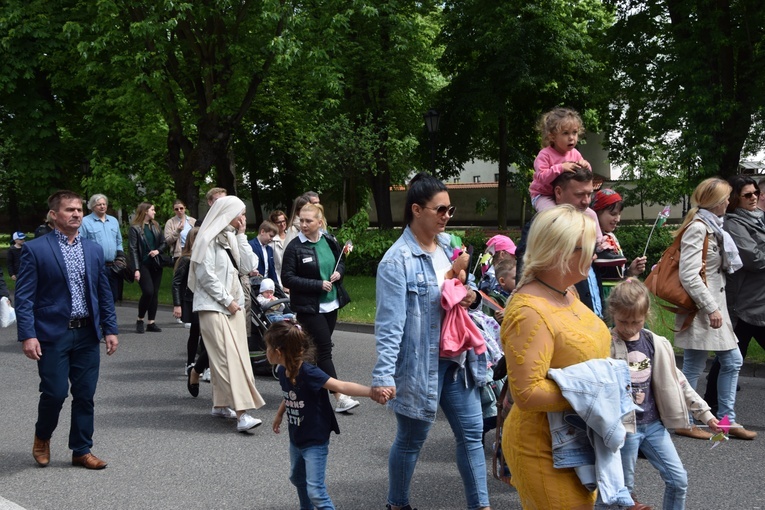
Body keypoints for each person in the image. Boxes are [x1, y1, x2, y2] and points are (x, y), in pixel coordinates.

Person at [372, 173, 492, 510]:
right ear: (416, 210)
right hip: (418, 366)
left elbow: (454, 295)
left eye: (449, 210)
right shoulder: (396, 262)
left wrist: (471, 296)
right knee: (411, 441)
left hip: (455, 362)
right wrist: (383, 377)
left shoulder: (446, 249)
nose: (446, 216)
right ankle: (397, 503)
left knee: (471, 435)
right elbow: (389, 326)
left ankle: (480, 506)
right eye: (440, 210)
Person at [500, 204, 608, 509]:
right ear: (562, 252)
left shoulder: (566, 290)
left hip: (577, 439)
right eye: (589, 248)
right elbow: (527, 393)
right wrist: (598, 390)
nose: (595, 255)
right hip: (543, 447)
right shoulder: (529, 311)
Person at [16, 190, 119, 470]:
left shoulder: (92, 249)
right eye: (69, 210)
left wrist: (110, 328)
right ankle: (43, 436)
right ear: (54, 215)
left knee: (85, 394)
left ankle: (82, 450)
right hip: (53, 334)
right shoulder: (36, 249)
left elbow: (103, 292)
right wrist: (28, 334)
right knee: (56, 392)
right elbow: (24, 297)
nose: (76, 214)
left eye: (78, 210)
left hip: (86, 333)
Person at [608, 278, 721, 510]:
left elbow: (679, 381)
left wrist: (706, 415)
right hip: (624, 429)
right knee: (624, 490)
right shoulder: (604, 343)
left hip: (654, 426)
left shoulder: (656, 343)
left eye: (636, 322)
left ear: (646, 315)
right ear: (612, 313)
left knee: (679, 480)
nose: (629, 328)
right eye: (623, 321)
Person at [268, 319, 386, 510]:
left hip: (315, 439)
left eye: (267, 347)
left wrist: (372, 392)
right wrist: (280, 414)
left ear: (278, 352)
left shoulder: (309, 372)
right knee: (298, 478)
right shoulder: (283, 371)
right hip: (296, 438)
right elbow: (289, 393)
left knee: (316, 491)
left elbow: (341, 386)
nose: (266, 351)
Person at [672, 177, 756, 440]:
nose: (729, 202)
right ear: (716, 201)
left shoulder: (713, 226)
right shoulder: (699, 227)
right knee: (724, 362)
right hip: (703, 309)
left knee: (704, 364)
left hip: (710, 307)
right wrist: (711, 308)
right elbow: (689, 275)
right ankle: (697, 420)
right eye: (726, 198)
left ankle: (711, 419)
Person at [188, 195, 265, 432]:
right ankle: (242, 413)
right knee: (225, 359)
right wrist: (227, 300)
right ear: (227, 214)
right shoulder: (206, 239)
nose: (243, 218)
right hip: (213, 306)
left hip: (234, 307)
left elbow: (247, 267)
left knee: (237, 356)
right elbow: (205, 275)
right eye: (240, 214)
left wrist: (242, 236)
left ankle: (221, 405)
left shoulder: (231, 236)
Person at [282, 203, 358, 414]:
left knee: (312, 351)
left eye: (308, 221)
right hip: (309, 307)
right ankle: (340, 396)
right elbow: (287, 278)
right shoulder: (295, 247)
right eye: (301, 221)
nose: (303, 225)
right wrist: (316, 284)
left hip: (330, 303)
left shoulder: (330, 240)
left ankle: (304, 387)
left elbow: (340, 262)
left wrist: (339, 274)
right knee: (324, 349)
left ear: (320, 222)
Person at [705, 176, 765, 423]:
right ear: (735, 201)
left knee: (729, 357)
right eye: (747, 195)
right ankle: (710, 406)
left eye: (755, 193)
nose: (754, 198)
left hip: (758, 301)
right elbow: (754, 258)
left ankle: (710, 404)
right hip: (745, 303)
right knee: (729, 356)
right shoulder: (734, 223)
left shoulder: (759, 219)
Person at [516, 166, 605, 316]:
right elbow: (526, 275)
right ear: (558, 192)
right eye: (579, 194)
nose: (586, 201)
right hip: (562, 319)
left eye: (589, 194)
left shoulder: (588, 223)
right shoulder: (541, 228)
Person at [529, 107, 603, 249]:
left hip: (563, 197)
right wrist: (560, 168)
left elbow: (586, 178)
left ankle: (600, 245)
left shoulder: (575, 153)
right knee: (553, 217)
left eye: (575, 133)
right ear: (552, 136)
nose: (572, 138)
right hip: (543, 195)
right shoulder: (545, 155)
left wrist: (586, 165)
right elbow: (541, 177)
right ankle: (553, 246)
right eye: (566, 133)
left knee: (591, 214)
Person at [172, 227, 208, 396]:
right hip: (191, 300)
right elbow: (177, 282)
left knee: (204, 333)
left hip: (202, 299)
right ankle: (189, 363)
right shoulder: (186, 259)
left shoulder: (203, 257)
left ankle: (203, 365)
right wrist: (177, 304)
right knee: (196, 332)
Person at [128, 202, 167, 334]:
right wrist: (136, 269)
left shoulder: (155, 226)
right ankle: (140, 319)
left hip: (155, 264)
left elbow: (164, 242)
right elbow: (133, 249)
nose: (154, 212)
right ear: (145, 211)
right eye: (152, 210)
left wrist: (158, 251)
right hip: (143, 264)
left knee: (154, 293)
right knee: (148, 291)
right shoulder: (135, 228)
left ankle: (151, 322)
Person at [591, 188, 646, 282]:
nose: (618, 219)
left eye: (619, 214)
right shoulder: (589, 240)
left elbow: (617, 277)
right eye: (613, 214)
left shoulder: (612, 237)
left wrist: (631, 272)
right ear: (596, 213)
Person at [79, 194, 125, 303]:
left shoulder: (113, 221)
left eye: (104, 204)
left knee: (113, 296)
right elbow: (81, 242)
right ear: (92, 206)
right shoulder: (85, 222)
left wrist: (120, 256)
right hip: (96, 266)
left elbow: (119, 241)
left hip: (113, 266)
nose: (102, 206)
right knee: (98, 297)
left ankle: (108, 319)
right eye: (99, 204)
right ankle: (98, 319)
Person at [249, 220, 280, 286]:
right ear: (262, 232)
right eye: (270, 236)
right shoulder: (250, 245)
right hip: (254, 284)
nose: (272, 239)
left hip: (268, 285)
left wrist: (276, 285)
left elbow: (272, 269)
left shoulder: (269, 249)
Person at [269, 209, 289, 285]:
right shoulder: (271, 240)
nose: (282, 224)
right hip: (278, 276)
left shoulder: (291, 235)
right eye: (279, 222)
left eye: (283, 221)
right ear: (273, 224)